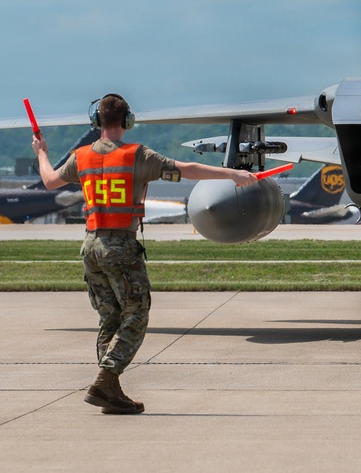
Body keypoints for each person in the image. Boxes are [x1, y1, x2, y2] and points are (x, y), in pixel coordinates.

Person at [32, 93, 257, 415]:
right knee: (137, 313)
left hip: (90, 246)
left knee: (110, 317)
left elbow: (50, 180)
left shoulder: (80, 156)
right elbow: (186, 169)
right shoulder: (137, 155)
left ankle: (110, 389)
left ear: (96, 122)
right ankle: (107, 377)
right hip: (121, 246)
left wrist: (42, 153)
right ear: (128, 122)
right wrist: (231, 174)